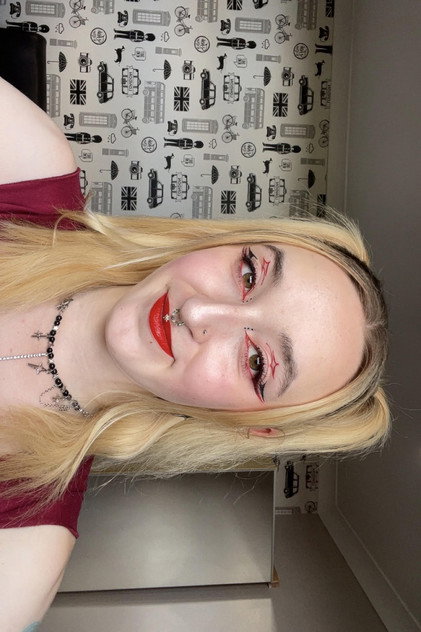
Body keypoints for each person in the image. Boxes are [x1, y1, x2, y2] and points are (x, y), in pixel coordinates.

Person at [0, 76, 390, 628]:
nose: (201, 313)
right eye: (249, 273)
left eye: (257, 363)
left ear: (252, 427)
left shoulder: (20, 557)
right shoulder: (24, 159)